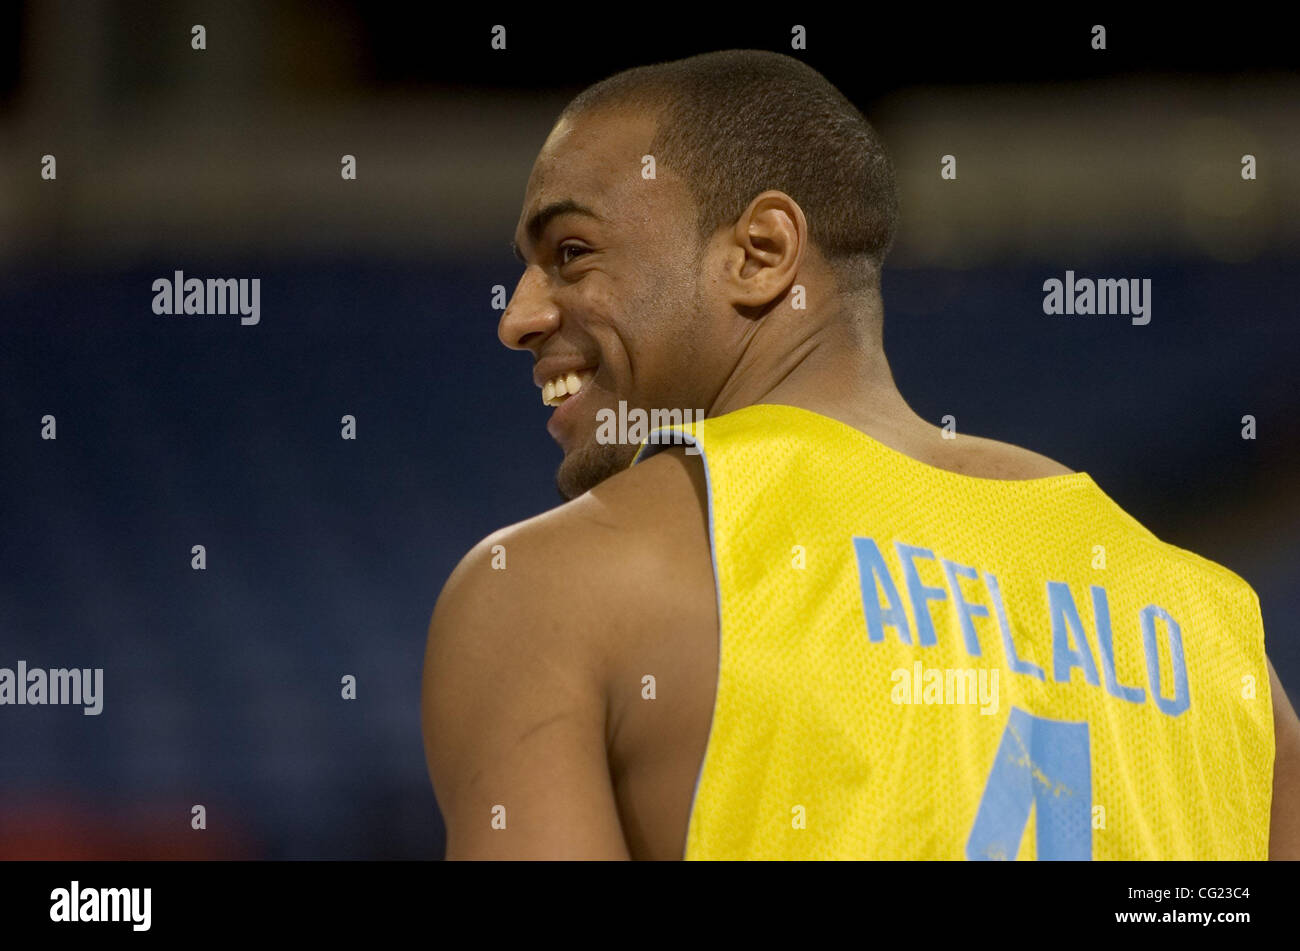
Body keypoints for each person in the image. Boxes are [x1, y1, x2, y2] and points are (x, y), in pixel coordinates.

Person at [421, 50, 1300, 859]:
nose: (518, 317)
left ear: (761, 254)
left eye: (572, 253)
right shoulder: (1224, 642)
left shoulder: (547, 595)